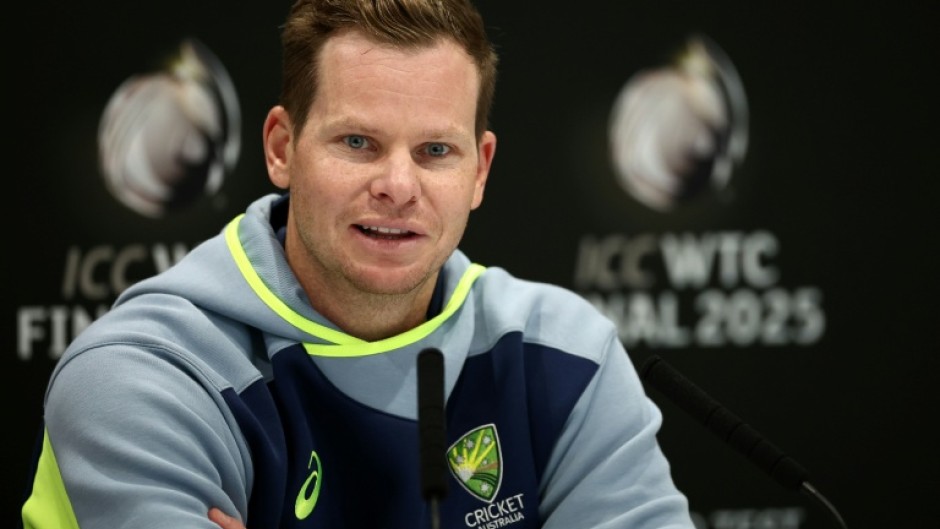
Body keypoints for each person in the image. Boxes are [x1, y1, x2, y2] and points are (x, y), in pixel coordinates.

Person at [20, 1, 696, 527]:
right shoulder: (145, 374)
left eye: (435, 151)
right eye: (358, 142)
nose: (399, 185)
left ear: (480, 169)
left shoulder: (565, 354)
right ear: (282, 148)